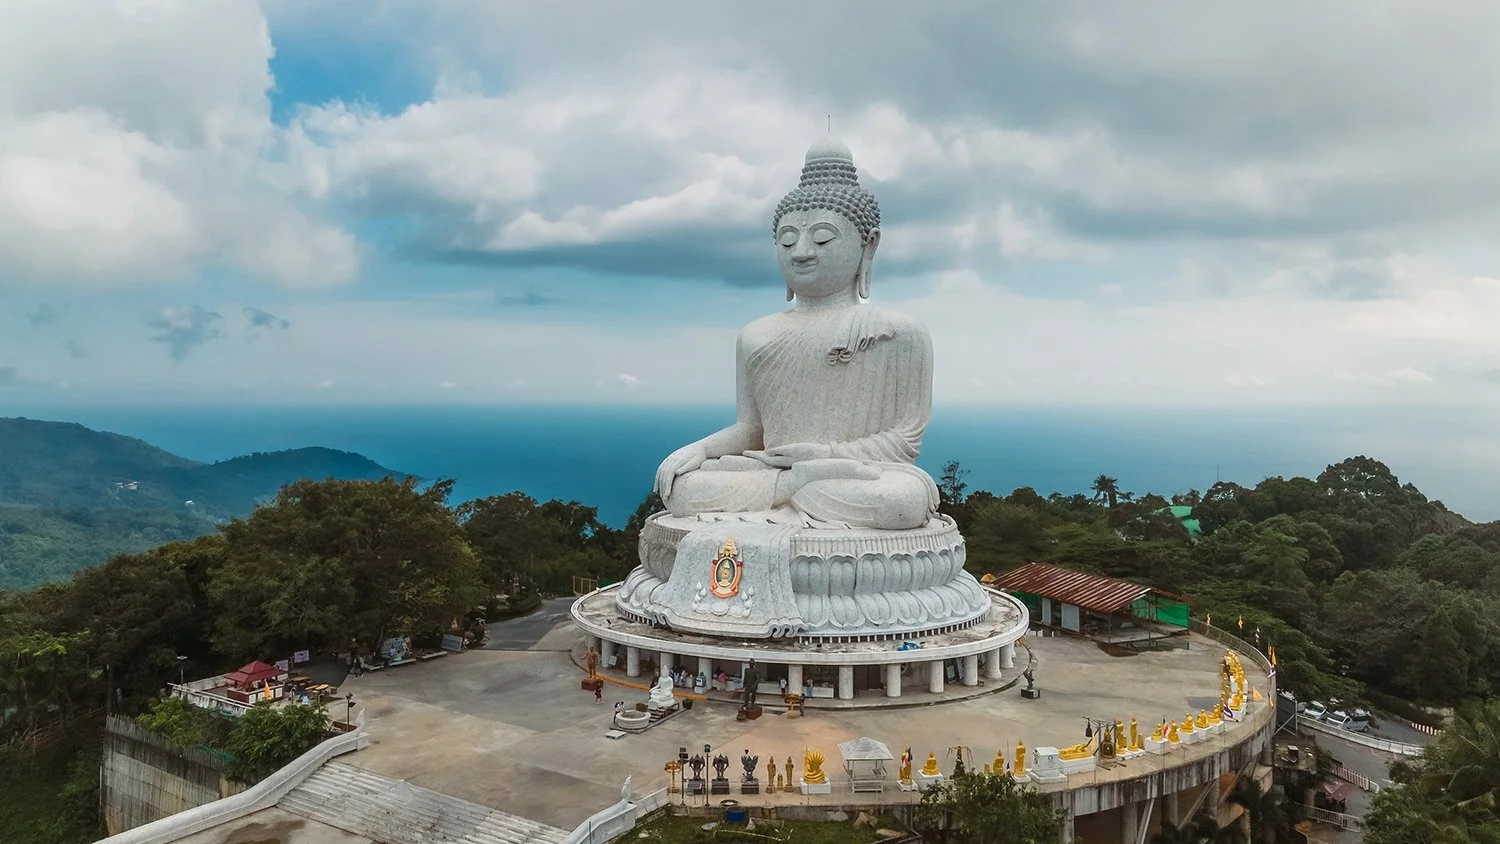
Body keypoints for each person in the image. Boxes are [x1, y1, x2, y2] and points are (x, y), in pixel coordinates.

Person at [652, 136, 939, 530]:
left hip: (848, 476)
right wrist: (699, 449)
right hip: (776, 473)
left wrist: (822, 457)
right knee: (683, 488)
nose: (801, 251)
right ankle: (792, 490)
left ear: (868, 245)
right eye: (787, 240)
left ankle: (793, 491)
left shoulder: (900, 333)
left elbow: (904, 442)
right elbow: (752, 430)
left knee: (900, 501)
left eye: (822, 238)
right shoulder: (756, 334)